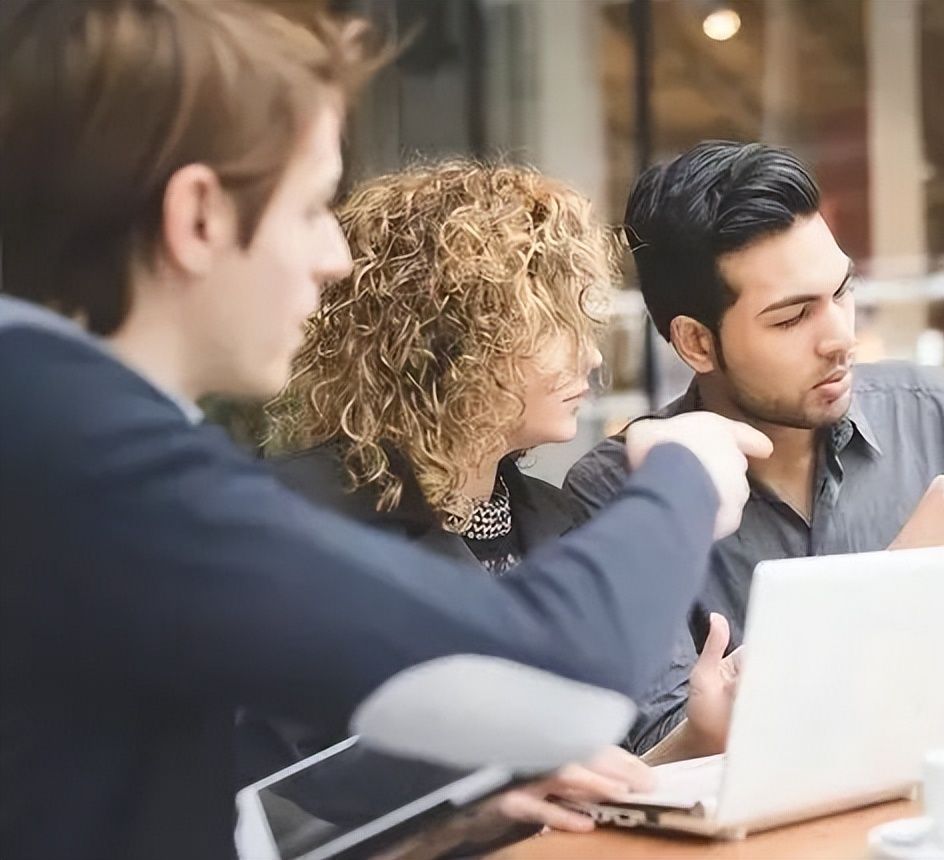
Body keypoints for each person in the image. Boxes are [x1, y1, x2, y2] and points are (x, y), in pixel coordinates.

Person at [0, 5, 768, 859]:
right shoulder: (79, 458)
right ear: (199, 217)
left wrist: (459, 818)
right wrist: (684, 476)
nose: (334, 257)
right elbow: (556, 683)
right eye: (308, 207)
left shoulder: (58, 432)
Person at [243, 161, 730, 842]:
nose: (591, 358)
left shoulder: (553, 515)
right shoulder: (301, 520)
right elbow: (284, 811)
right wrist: (462, 818)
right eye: (556, 322)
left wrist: (697, 735)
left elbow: (575, 791)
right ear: (455, 337)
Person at [566, 141, 944, 754]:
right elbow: (666, 747)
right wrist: (897, 574)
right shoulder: (619, 490)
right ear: (696, 343)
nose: (841, 338)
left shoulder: (929, 411)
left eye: (842, 292)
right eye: (793, 318)